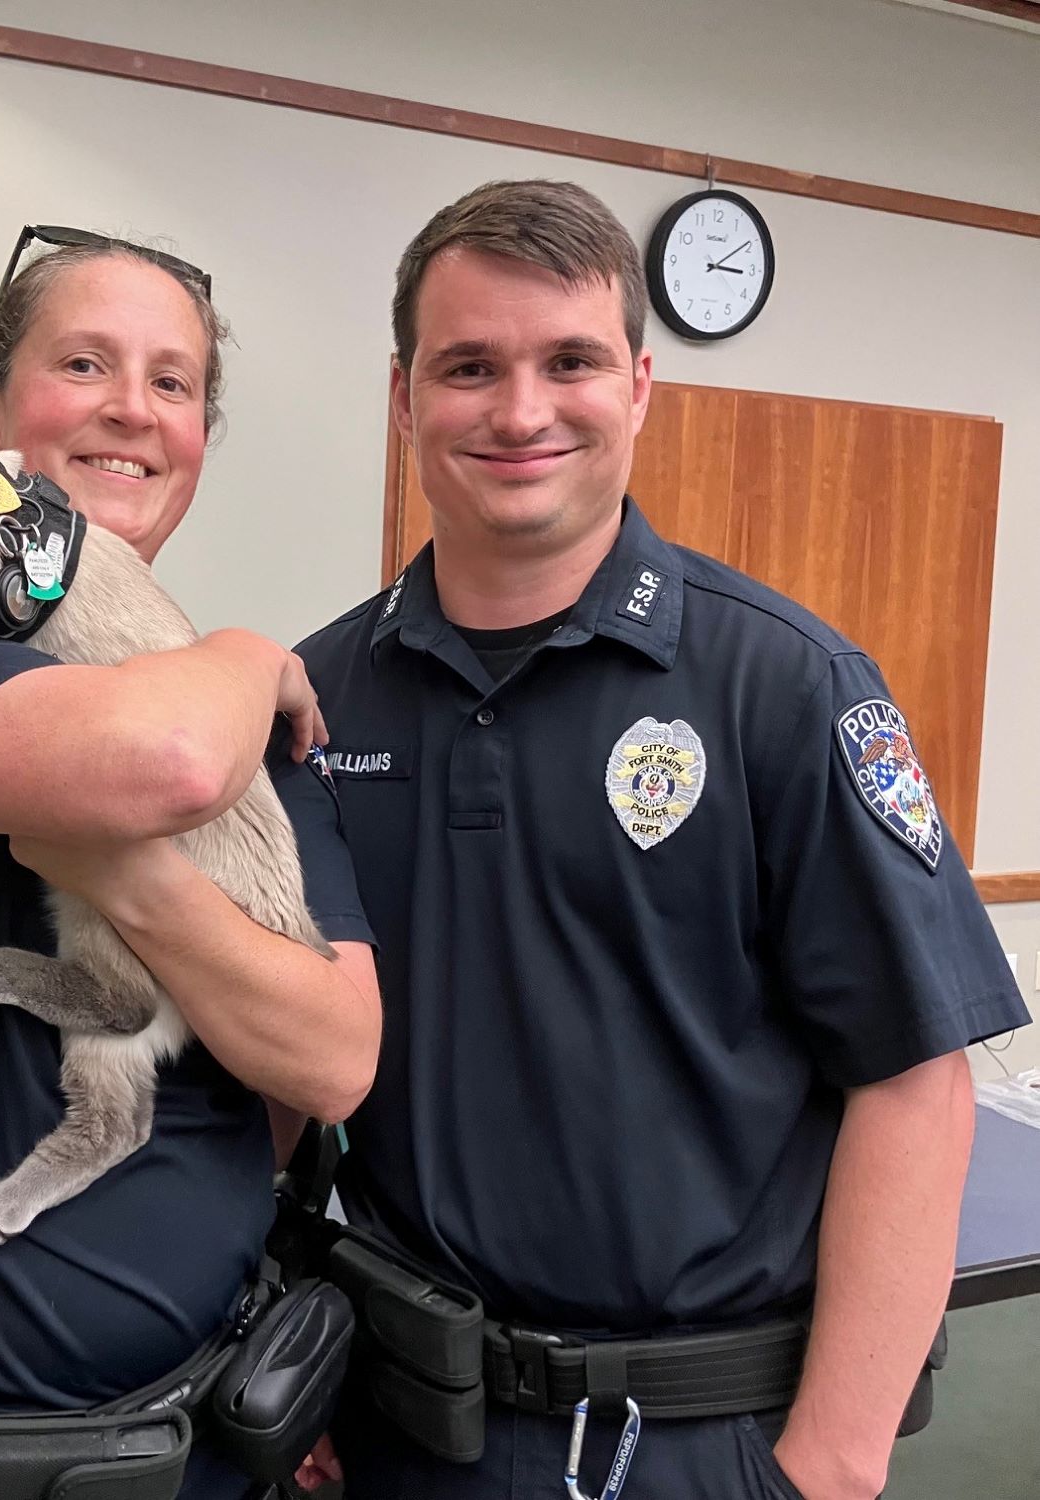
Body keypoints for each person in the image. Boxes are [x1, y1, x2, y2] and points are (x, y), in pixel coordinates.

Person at [278, 180, 1029, 1500]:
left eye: (569, 361)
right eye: (469, 368)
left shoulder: (785, 687)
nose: (520, 412)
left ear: (637, 385)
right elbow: (279, 1084)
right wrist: (284, 1340)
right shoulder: (312, 701)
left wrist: (832, 1467)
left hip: (694, 1445)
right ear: (405, 401)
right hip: (404, 1433)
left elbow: (916, 1085)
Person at [0, 225, 380, 1499]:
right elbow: (157, 761)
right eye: (85, 364)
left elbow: (324, 1059)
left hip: (195, 1428)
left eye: (173, 383)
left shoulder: (250, 727)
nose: (132, 412)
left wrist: (148, 888)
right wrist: (247, 653)